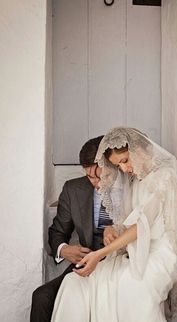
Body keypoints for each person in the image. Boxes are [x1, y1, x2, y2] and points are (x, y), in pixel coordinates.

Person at [51, 127, 177, 322]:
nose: (124, 169)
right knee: (74, 283)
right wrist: (114, 228)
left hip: (159, 254)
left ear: (139, 149)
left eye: (125, 161)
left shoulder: (165, 176)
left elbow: (141, 226)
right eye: (118, 166)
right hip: (135, 252)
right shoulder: (135, 179)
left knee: (128, 288)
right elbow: (130, 221)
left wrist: (100, 254)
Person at [30, 135, 114, 322]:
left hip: (120, 264)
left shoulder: (129, 186)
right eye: (89, 176)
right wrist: (64, 249)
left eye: (99, 176)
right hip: (84, 264)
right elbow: (57, 232)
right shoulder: (72, 189)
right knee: (41, 297)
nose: (96, 183)